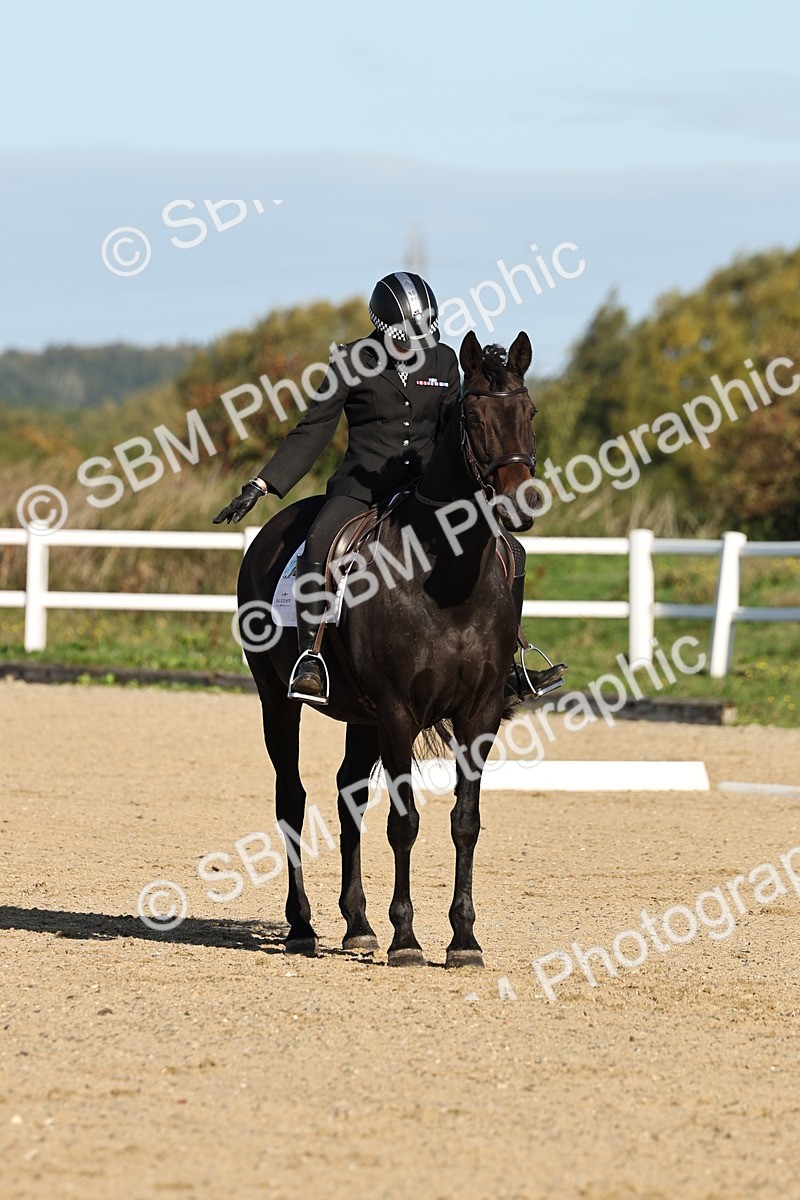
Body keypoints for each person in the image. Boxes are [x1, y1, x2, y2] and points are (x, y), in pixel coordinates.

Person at [214, 271, 561, 706]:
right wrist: (263, 483)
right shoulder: (350, 360)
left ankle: (509, 663)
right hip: (361, 488)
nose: (417, 345)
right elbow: (313, 431)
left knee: (511, 550)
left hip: (428, 489)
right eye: (406, 336)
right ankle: (310, 657)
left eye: (424, 334)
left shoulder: (442, 360)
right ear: (381, 328)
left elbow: (459, 429)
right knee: (319, 543)